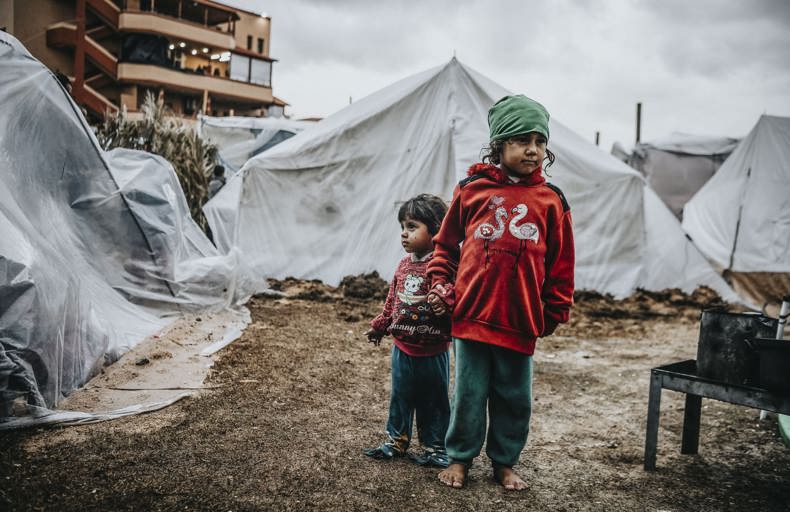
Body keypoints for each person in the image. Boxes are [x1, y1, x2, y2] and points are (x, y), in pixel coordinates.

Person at [426, 95, 575, 490]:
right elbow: (445, 246)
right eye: (522, 140)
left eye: (540, 142)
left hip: (520, 318)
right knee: (469, 395)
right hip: (472, 316)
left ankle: (505, 462)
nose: (533, 150)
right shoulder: (472, 190)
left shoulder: (551, 201)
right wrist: (441, 284)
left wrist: (555, 309)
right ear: (499, 145)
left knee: (514, 398)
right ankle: (459, 458)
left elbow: (562, 263)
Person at [363, 194, 452, 468]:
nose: (404, 234)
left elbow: (455, 297)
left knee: (433, 401)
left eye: (412, 227)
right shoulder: (404, 265)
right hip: (402, 348)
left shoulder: (443, 267)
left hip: (433, 351)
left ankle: (435, 447)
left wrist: (447, 303)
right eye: (402, 226)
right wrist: (380, 325)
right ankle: (395, 441)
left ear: (436, 229)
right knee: (400, 396)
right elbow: (393, 299)